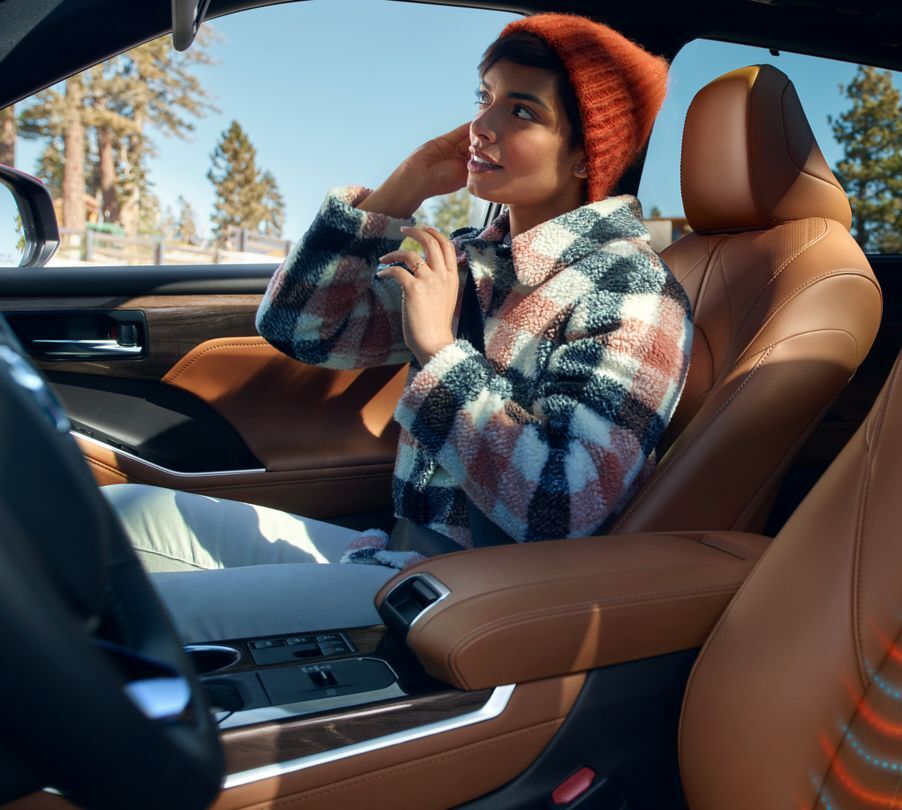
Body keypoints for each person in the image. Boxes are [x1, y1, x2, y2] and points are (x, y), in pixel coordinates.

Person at [102, 13, 693, 642]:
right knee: (108, 517)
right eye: (484, 98)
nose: (482, 127)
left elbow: (563, 505)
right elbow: (299, 329)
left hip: (470, 604)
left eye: (521, 112)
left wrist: (438, 351)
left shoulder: (633, 292)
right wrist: (404, 184)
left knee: (120, 614)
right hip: (397, 558)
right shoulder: (475, 263)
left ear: (585, 157)